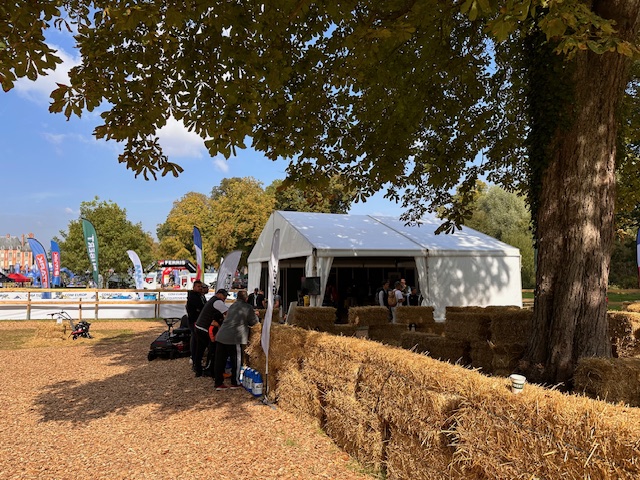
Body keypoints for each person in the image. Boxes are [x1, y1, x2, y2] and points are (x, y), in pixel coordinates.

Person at [213, 290, 259, 390]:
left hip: (221, 335)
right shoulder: (248, 307)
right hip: (234, 337)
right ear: (246, 298)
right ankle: (235, 382)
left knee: (220, 360)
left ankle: (218, 383)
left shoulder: (232, 306)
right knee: (237, 360)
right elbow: (254, 322)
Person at [193, 289, 229, 377]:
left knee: (200, 350)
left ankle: (198, 370)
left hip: (198, 326)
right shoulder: (217, 302)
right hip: (205, 328)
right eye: (224, 296)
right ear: (219, 294)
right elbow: (228, 313)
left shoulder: (213, 300)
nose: (225, 298)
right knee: (212, 349)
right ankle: (209, 370)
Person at [185, 280, 206, 366]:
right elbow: (199, 308)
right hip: (194, 320)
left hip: (199, 320)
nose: (200, 288)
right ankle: (194, 357)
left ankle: (197, 357)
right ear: (194, 287)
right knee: (195, 339)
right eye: (198, 287)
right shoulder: (193, 297)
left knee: (198, 339)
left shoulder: (200, 296)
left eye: (201, 287)